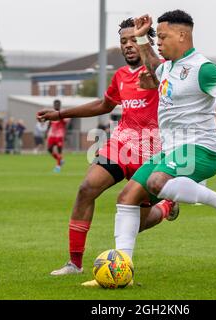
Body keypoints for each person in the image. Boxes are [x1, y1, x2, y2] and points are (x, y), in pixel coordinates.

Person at [77, 11, 216, 287]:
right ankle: (121, 271)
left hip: (202, 149)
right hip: (172, 151)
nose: (160, 41)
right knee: (127, 196)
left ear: (182, 35)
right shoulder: (167, 67)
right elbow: (152, 61)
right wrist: (143, 34)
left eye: (164, 36)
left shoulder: (202, 68)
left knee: (157, 182)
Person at [36, 17, 179, 278]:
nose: (127, 45)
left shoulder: (164, 71)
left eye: (133, 39)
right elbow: (103, 105)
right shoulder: (121, 76)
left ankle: (166, 207)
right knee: (86, 188)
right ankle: (74, 264)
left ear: (145, 40)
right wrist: (59, 114)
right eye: (123, 41)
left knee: (135, 224)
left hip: (153, 152)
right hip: (121, 144)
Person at [45, 100, 70, 172]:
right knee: (49, 149)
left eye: (57, 104)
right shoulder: (51, 113)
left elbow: (66, 124)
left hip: (59, 135)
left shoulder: (62, 114)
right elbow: (49, 123)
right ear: (53, 105)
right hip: (52, 135)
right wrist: (46, 132)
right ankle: (60, 160)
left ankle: (58, 167)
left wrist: (66, 134)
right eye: (55, 104)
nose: (56, 105)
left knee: (59, 151)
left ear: (60, 105)